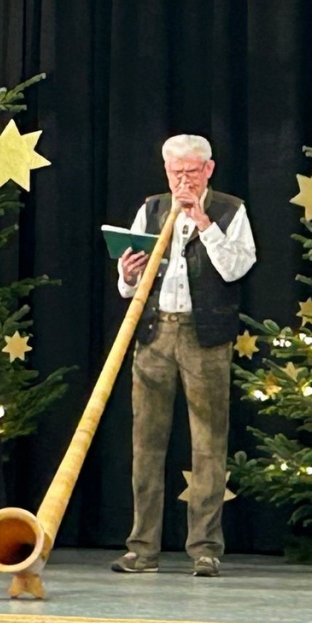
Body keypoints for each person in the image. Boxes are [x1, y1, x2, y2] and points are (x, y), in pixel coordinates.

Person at [112, 134, 256, 578]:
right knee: (146, 445)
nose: (183, 181)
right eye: (176, 173)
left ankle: (206, 549)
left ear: (208, 170)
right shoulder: (151, 209)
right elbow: (129, 286)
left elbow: (238, 268)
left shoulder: (231, 210)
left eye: (192, 172)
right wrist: (127, 273)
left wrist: (205, 223)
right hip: (155, 334)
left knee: (209, 446)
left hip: (205, 337)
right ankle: (142, 548)